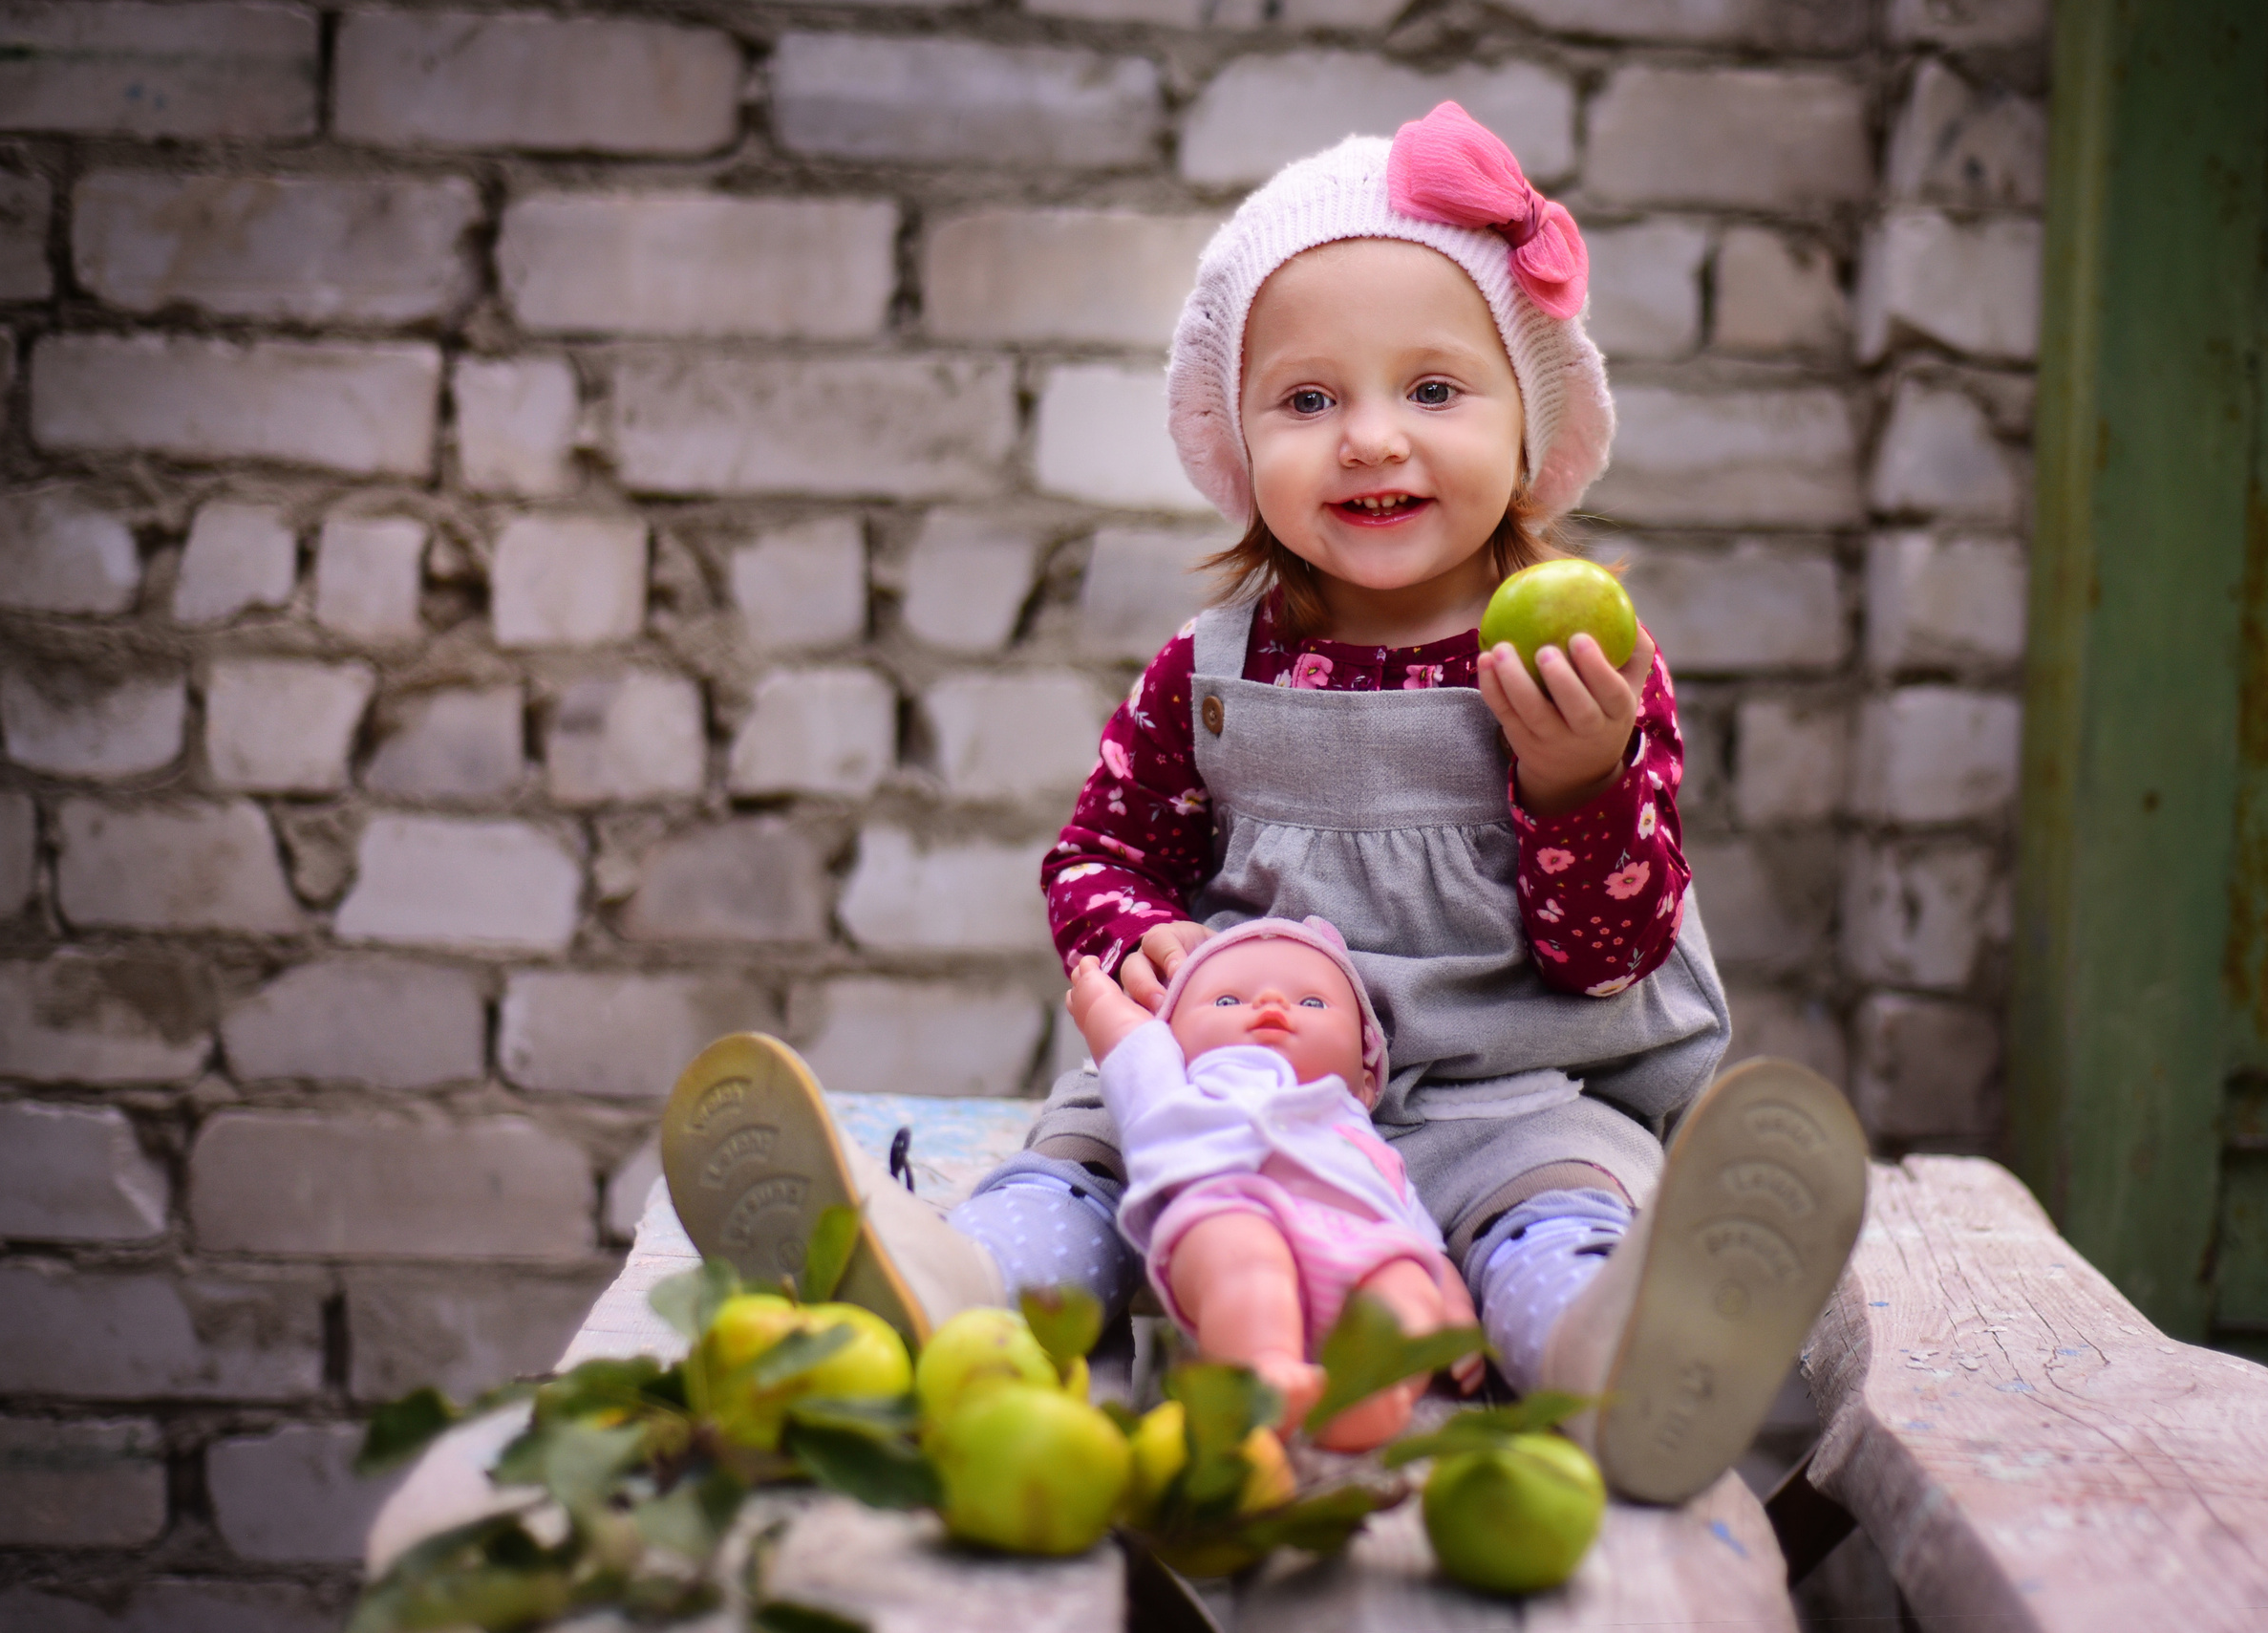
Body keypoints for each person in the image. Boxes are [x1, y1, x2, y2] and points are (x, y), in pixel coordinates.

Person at [662, 101, 1867, 1506]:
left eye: (1432, 389)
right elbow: (1099, 851)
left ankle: (1613, 1352)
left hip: (1505, 1099)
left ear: (1530, 425)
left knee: (1550, 1218)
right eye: (1308, 400)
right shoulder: (1211, 668)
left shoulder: (1581, 663)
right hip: (1235, 1086)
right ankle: (944, 1285)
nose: (1368, 439)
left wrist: (1575, 779)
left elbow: (1611, 957)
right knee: (1091, 1161)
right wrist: (1138, 939)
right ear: (1237, 443)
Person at [1066, 914, 1479, 1450]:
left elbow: (1410, 1223)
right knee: (1245, 1263)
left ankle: (1371, 1391)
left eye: (1312, 1004)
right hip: (1229, 1210)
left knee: (1405, 1286)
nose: (1269, 1005)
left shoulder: (1355, 1130)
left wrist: (1449, 1302)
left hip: (1363, 1244)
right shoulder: (1189, 1088)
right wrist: (1098, 995)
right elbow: (1131, 1044)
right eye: (1226, 1001)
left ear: (1367, 1078)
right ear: (1175, 1041)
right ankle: (1262, 1371)